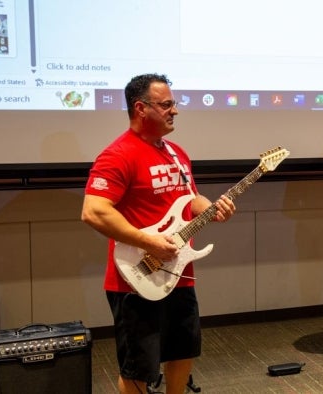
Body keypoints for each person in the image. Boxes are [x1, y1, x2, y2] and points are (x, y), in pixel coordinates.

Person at [81, 73, 235, 394]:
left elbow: (190, 198)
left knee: (182, 351)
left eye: (173, 104)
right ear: (140, 108)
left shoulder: (176, 152)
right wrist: (147, 240)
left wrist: (211, 208)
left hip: (179, 272)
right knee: (139, 366)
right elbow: (93, 211)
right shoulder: (118, 154)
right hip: (136, 277)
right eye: (166, 105)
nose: (174, 111)